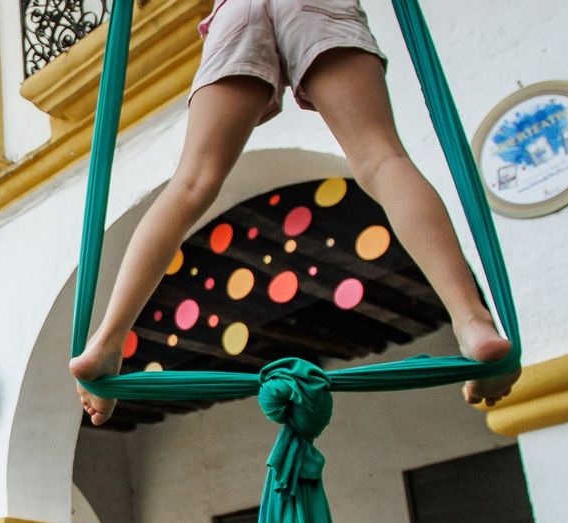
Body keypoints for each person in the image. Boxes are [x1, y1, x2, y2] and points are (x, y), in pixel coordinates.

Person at [69, 0, 519, 423]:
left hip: (236, 11)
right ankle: (472, 321)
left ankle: (108, 340)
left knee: (191, 184)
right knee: (381, 160)